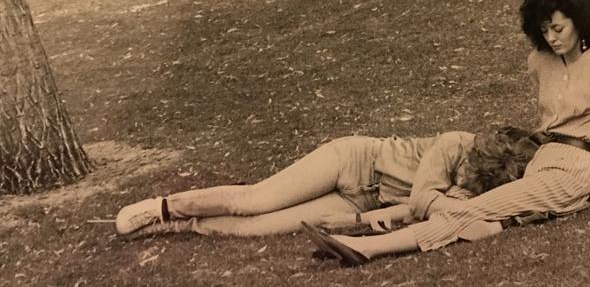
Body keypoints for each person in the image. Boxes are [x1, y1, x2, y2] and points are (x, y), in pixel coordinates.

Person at [303, 0, 590, 266]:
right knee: (464, 196)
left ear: (581, 20)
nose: (551, 37)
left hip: (574, 167)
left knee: (471, 208)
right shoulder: (539, 61)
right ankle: (375, 224)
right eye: (544, 30)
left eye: (558, 28)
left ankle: (367, 248)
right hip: (539, 156)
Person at [114, 128, 534, 238]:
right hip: (352, 163)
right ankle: (165, 206)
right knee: (256, 200)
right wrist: (455, 207)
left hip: (361, 204)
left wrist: (359, 223)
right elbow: (422, 200)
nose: (463, 183)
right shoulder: (455, 143)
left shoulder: (483, 184)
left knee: (255, 229)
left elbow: (414, 211)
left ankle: (176, 226)